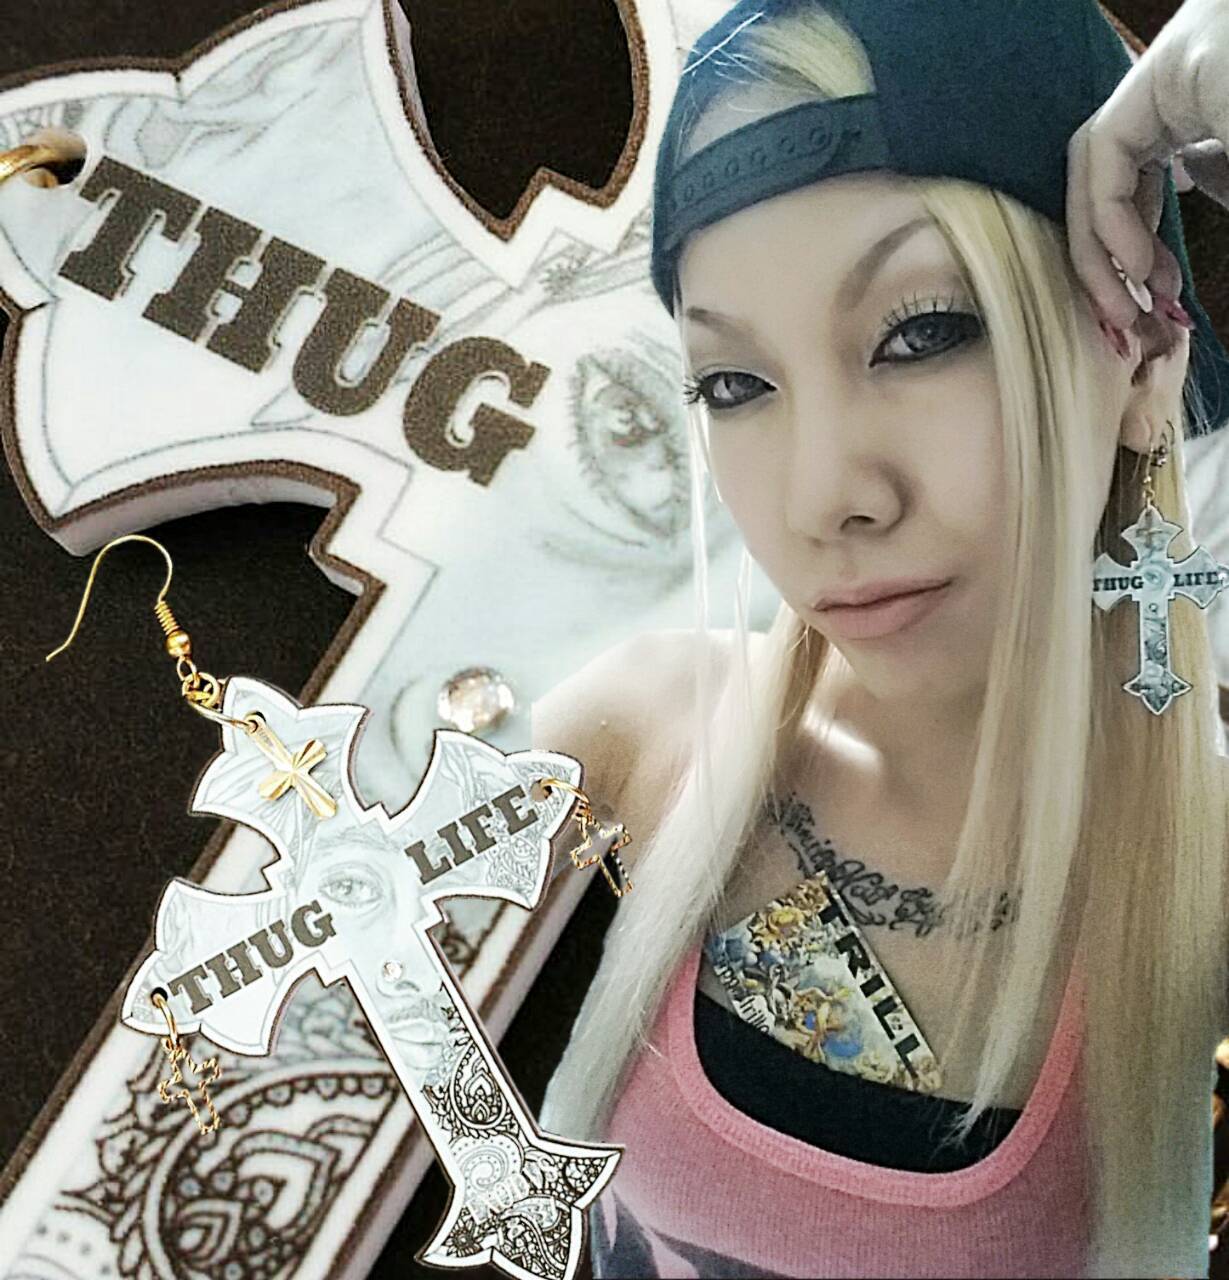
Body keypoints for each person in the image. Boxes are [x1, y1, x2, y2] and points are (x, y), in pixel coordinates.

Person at [531, 1, 1229, 1276]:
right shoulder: (637, 734)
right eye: (734, 383)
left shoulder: (1205, 884)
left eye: (921, 333)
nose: (823, 497)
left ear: (1137, 363)